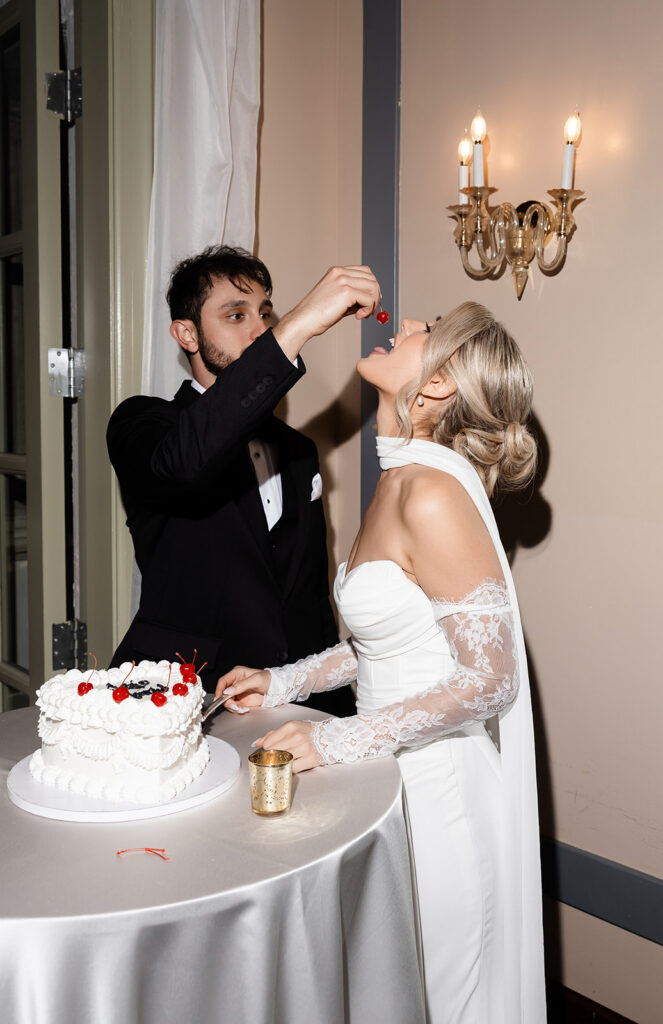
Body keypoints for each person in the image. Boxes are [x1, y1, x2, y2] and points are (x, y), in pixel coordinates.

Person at [215, 302, 546, 1023]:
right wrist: (288, 680)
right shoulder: (400, 479)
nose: (403, 328)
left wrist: (330, 739)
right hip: (391, 781)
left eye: (424, 331)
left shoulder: (429, 492)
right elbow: (387, 644)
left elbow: (490, 680)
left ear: (434, 388)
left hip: (441, 800)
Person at [107, 247, 380, 716]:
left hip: (300, 697)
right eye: (236, 314)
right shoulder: (143, 423)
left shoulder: (299, 451)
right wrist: (300, 322)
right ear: (186, 333)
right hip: (186, 702)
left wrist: (332, 704)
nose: (260, 328)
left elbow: (308, 591)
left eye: (266, 313)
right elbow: (186, 463)